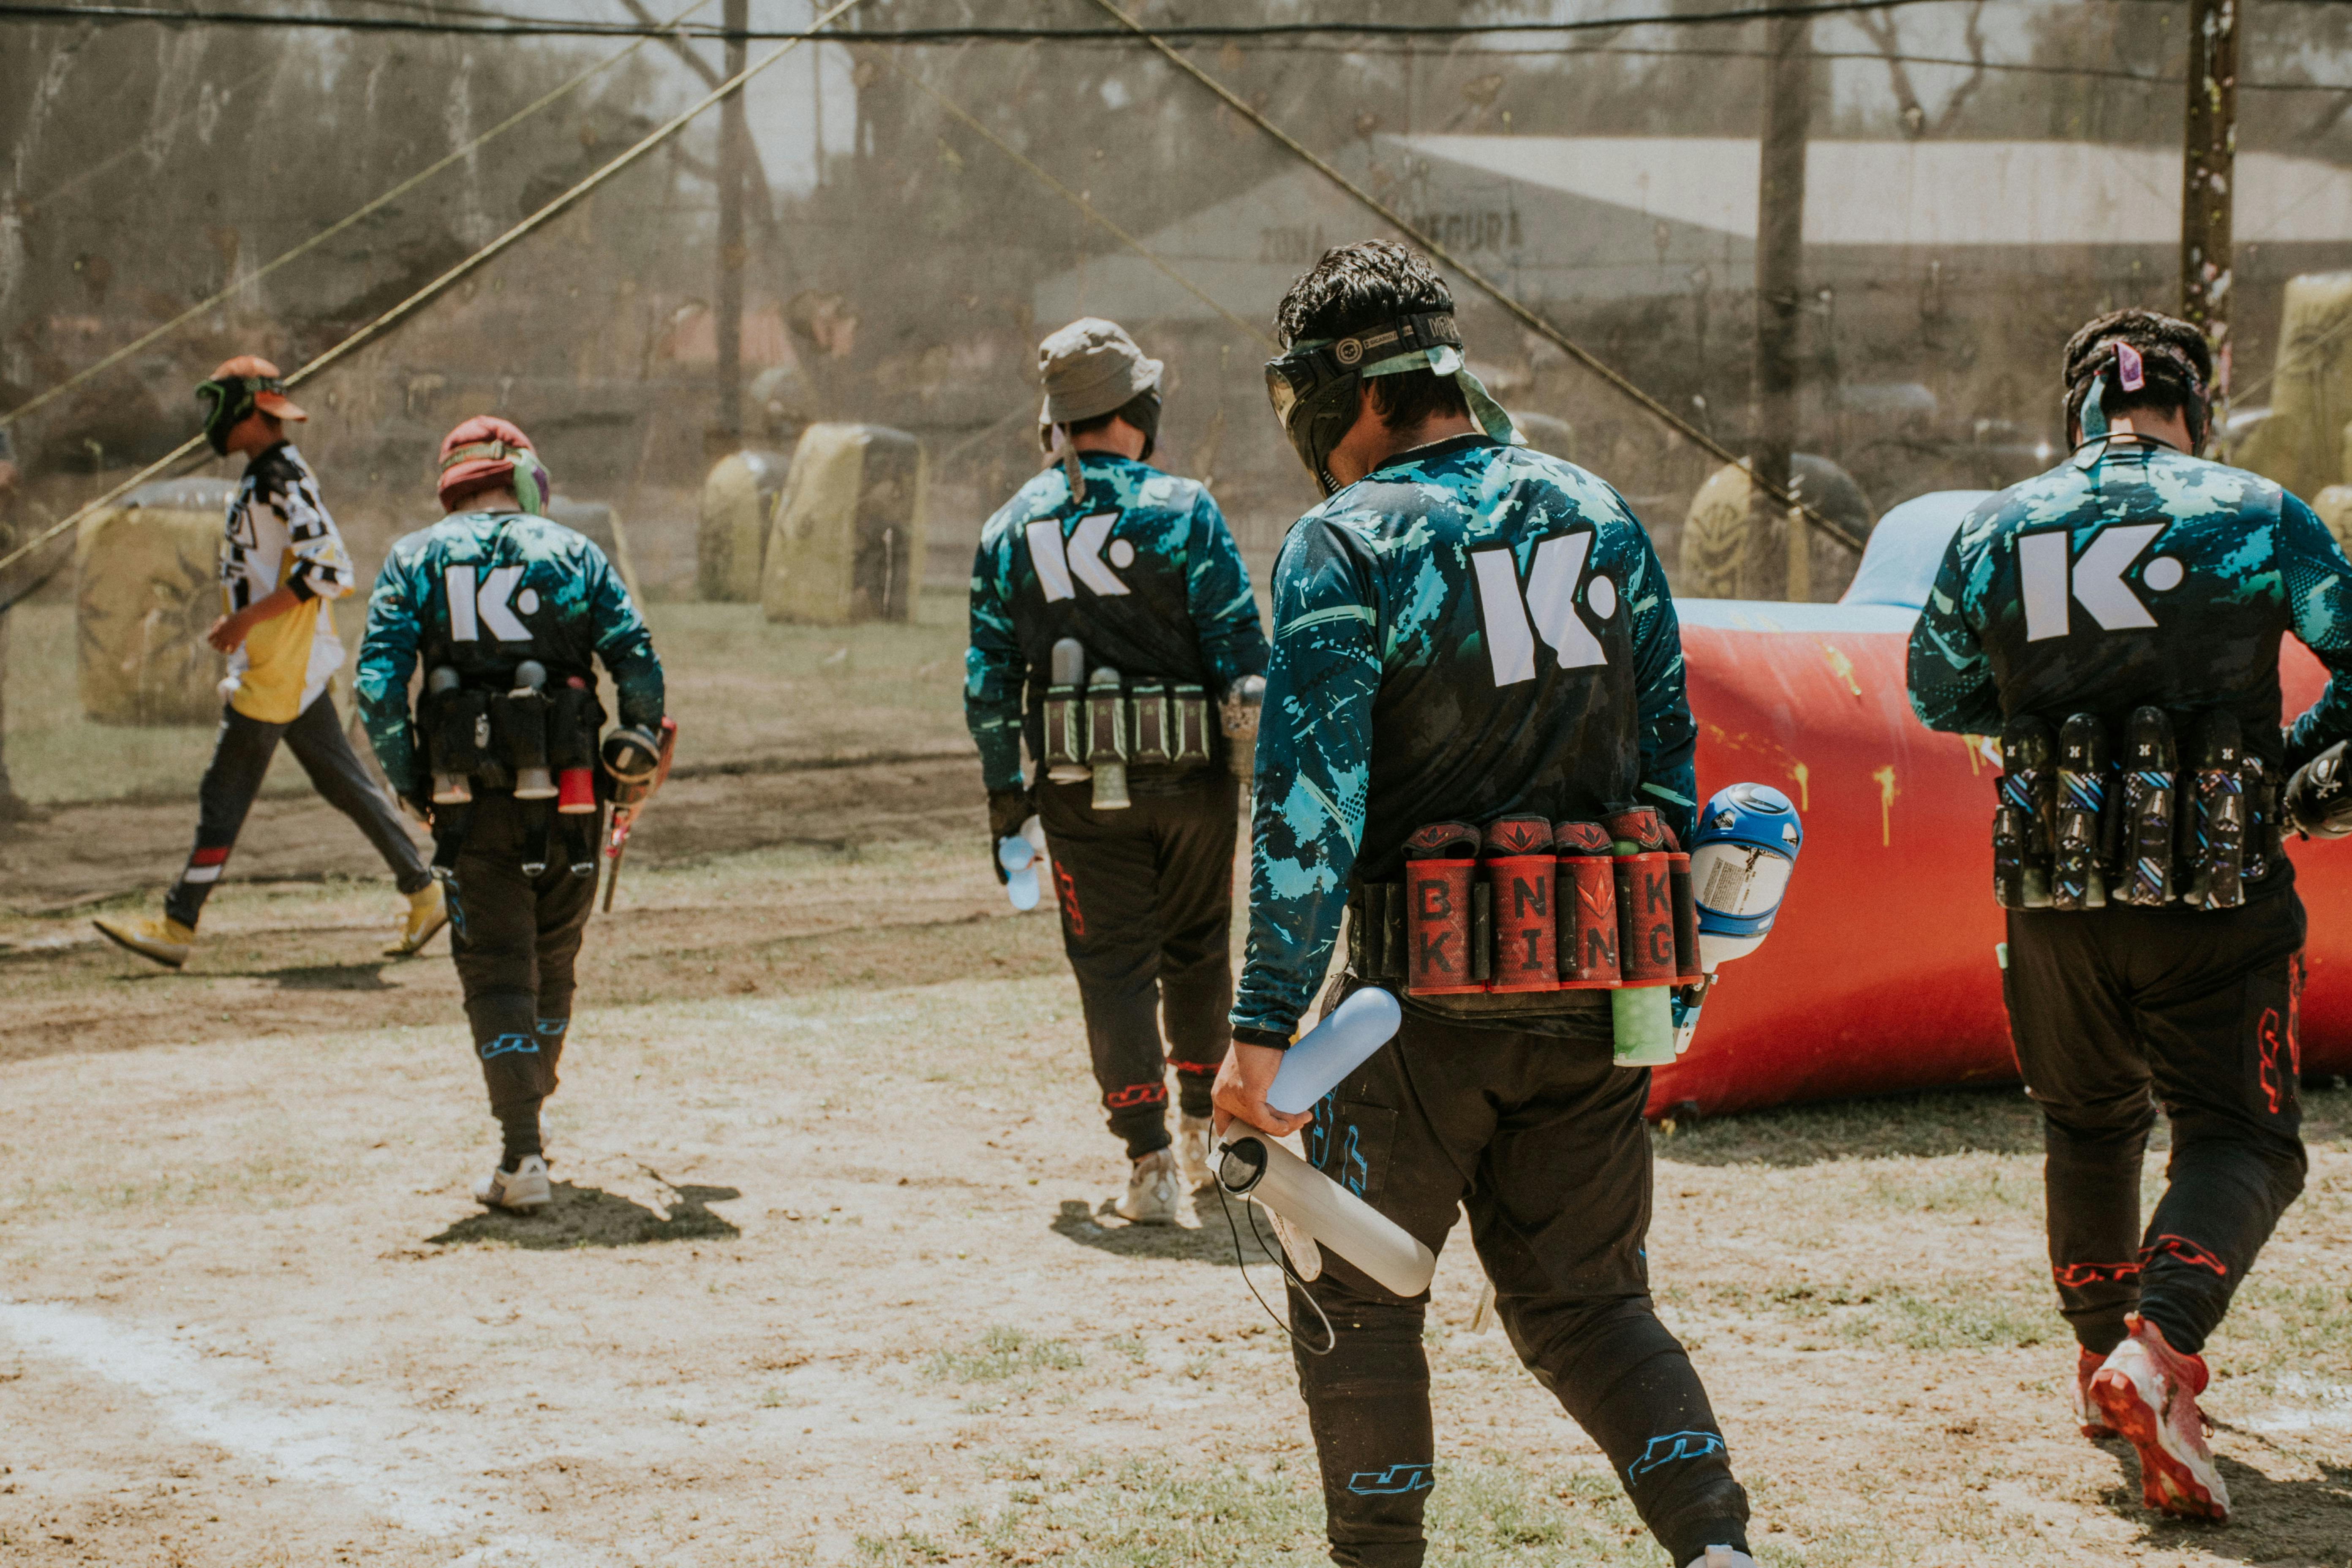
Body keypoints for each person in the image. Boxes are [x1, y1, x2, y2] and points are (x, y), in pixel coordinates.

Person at [1219, 240, 1755, 1568]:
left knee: (1353, 1296)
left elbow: (1308, 808)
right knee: (1591, 1307)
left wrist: (1260, 1029)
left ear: (1334, 395)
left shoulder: (1347, 541)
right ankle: (1719, 1551)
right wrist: (1660, 972)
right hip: (1598, 998)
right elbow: (1670, 767)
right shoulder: (1598, 509)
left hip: (1415, 1018)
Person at [1907, 308, 2352, 1522]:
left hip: (2051, 894)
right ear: (2198, 406)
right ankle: (2157, 1354)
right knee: (2243, 1142)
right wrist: (2296, 771)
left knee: (2088, 1123)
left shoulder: (1995, 523)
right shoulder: (2256, 512)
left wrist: (2058, 722)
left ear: (2078, 411)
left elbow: (1935, 688)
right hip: (2219, 889)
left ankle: (2100, 1359)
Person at [965, 317, 1269, 1225]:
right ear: (1140, 408)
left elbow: (988, 684)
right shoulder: (1184, 508)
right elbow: (1245, 663)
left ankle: (1146, 1166)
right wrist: (1248, 780)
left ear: (1057, 421)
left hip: (1075, 793)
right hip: (1195, 791)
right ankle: (1203, 1140)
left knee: (1114, 969)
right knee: (1197, 951)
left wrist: (1004, 798)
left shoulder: (1012, 524)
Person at [355, 416, 665, 1212]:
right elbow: (637, 660)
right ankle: (530, 1109)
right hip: (571, 795)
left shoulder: (414, 557)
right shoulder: (572, 551)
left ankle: (521, 1151)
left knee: (496, 966)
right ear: (523, 476)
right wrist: (632, 761)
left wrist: (411, 784)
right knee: (553, 957)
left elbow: (378, 690)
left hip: (467, 805)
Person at [94, 356, 442, 969]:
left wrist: (244, 621)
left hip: (280, 663)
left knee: (222, 792)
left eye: (221, 406)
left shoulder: (277, 476)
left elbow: (328, 568)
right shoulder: (265, 476)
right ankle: (426, 889)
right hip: (287, 662)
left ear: (253, 412)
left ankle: (178, 924)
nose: (212, 420)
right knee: (344, 784)